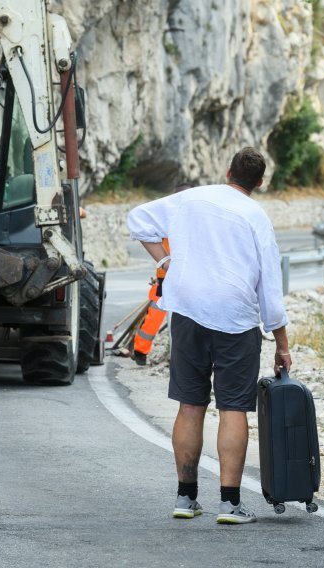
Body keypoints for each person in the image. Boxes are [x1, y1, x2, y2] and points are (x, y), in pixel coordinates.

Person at [127, 147, 291, 524]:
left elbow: (137, 220)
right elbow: (270, 288)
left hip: (187, 311)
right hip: (235, 317)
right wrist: (281, 343)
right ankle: (230, 504)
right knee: (233, 407)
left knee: (189, 404)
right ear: (259, 183)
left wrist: (165, 261)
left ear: (227, 170)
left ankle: (185, 498)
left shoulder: (191, 198)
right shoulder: (256, 215)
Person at [131, 183, 192, 365]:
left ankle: (142, 351)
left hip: (171, 275)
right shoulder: (171, 217)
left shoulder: (166, 216)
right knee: (157, 315)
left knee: (160, 316)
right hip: (167, 277)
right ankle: (141, 351)